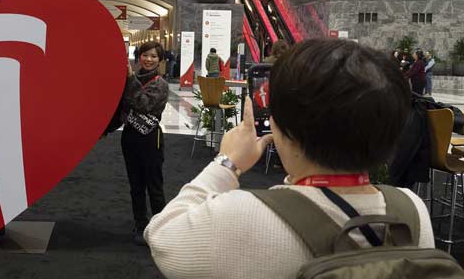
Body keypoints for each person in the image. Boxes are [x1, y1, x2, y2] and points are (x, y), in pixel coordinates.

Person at [145, 39, 434, 279]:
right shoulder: (412, 212)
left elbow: (161, 236)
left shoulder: (244, 216)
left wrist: (227, 162)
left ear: (284, 128)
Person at [121, 41, 169, 246]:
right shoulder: (131, 79)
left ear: (160, 60)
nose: (148, 60)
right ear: (139, 56)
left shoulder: (160, 84)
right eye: (145, 55)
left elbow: (143, 103)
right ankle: (140, 225)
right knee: (136, 186)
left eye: (153, 56)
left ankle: (161, 228)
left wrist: (130, 78)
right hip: (130, 137)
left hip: (150, 139)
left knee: (154, 186)